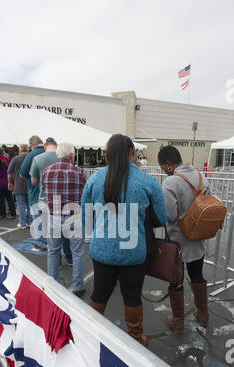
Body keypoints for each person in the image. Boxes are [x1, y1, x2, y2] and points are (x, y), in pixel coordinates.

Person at [81, 134, 168, 346]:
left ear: (107, 154)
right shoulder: (147, 181)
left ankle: (89, 336)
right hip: (135, 251)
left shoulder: (95, 179)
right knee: (132, 296)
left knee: (99, 293)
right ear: (132, 152)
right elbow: (161, 219)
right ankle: (136, 338)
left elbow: (86, 217)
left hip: (102, 249)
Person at [157, 145, 211, 330]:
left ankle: (178, 320)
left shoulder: (171, 183)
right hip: (198, 239)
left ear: (169, 164)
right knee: (197, 276)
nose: (163, 171)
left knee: (176, 280)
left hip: (178, 242)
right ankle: (203, 314)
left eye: (163, 167)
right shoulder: (202, 176)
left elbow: (169, 215)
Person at [42, 142, 86, 296]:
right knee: (77, 252)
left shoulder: (47, 172)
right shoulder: (79, 172)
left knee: (53, 251)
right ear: (72, 155)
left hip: (54, 216)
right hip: (74, 216)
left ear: (58, 155)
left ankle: (53, 286)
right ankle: (78, 286)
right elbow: (84, 192)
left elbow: (45, 191)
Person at [7, 144, 33, 229]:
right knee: (30, 205)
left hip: (18, 184)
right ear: (28, 150)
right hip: (30, 184)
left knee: (21, 205)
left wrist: (10, 182)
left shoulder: (15, 159)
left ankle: (22, 223)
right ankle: (30, 222)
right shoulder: (31, 158)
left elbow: (9, 173)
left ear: (19, 150)